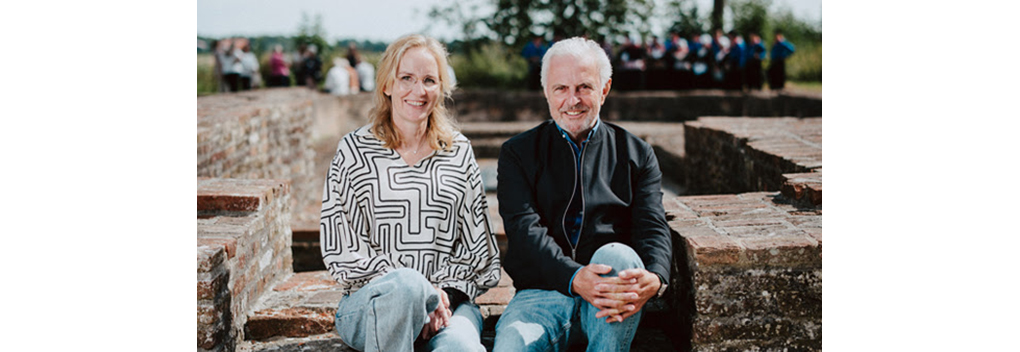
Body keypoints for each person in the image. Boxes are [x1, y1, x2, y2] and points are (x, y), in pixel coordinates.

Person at [320, 33, 501, 352]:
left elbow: (479, 250)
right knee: (405, 287)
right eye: (407, 78)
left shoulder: (458, 151)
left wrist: (441, 295)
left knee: (461, 348)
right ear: (387, 85)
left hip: (449, 306)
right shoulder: (354, 151)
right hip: (373, 305)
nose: (418, 91)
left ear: (441, 88)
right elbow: (342, 248)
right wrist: (419, 294)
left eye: (429, 80)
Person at [492, 37, 672, 352]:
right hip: (541, 292)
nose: (572, 100)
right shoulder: (517, 152)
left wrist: (657, 276)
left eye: (584, 87)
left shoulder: (636, 153)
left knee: (617, 255)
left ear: (604, 89)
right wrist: (575, 277)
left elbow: (652, 224)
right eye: (561, 88)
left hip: (608, 294)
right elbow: (523, 230)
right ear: (546, 90)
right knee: (510, 346)